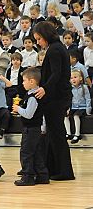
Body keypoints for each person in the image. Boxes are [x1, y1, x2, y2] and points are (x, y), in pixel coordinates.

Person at [33, 21, 75, 181]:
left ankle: (65, 171)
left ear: (45, 35)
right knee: (52, 133)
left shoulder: (55, 49)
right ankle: (51, 168)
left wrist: (45, 88)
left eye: (38, 39)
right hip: (56, 97)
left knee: (57, 134)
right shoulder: (56, 48)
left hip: (56, 98)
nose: (38, 42)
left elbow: (56, 74)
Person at [12, 67, 49, 186]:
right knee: (36, 152)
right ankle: (42, 175)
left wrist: (18, 109)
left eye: (24, 80)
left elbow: (28, 114)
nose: (22, 83)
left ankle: (27, 176)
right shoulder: (32, 95)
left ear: (32, 81)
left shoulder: (33, 97)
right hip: (35, 129)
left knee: (26, 152)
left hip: (31, 129)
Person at [64, 70, 91, 144]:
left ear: (81, 78)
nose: (73, 79)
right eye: (71, 78)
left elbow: (88, 98)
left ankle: (77, 134)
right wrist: (68, 108)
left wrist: (88, 109)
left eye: (75, 77)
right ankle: (68, 133)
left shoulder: (84, 87)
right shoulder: (70, 89)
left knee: (76, 116)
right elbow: (69, 99)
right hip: (73, 107)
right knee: (65, 116)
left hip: (82, 107)